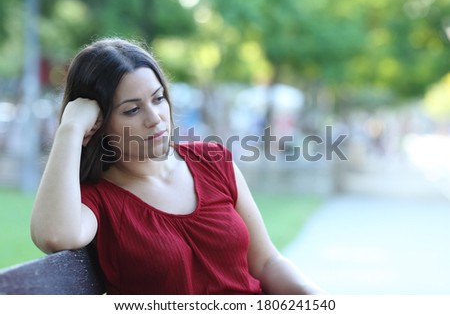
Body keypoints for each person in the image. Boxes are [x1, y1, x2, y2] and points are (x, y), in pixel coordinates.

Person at [30, 37, 323, 295]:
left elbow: (266, 262)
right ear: (98, 124)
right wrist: (70, 129)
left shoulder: (213, 161)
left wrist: (314, 297)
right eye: (132, 110)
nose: (155, 118)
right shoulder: (99, 200)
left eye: (158, 99)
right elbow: (55, 235)